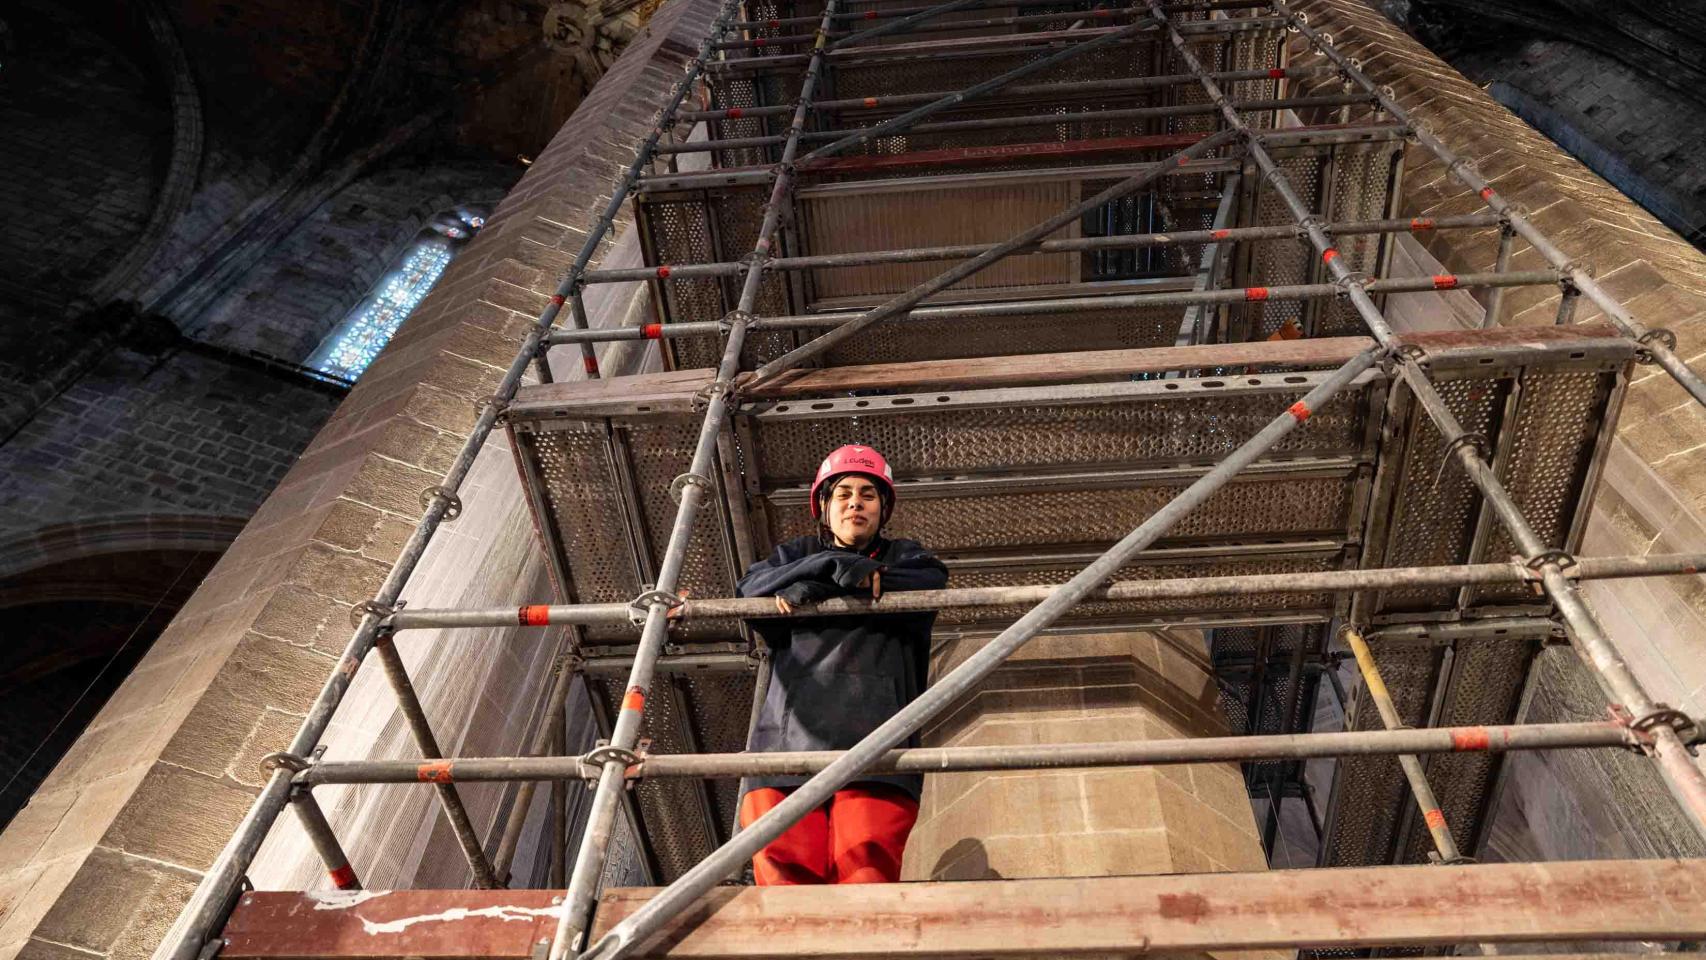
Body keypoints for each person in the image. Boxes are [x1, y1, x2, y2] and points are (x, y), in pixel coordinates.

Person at [734, 444, 949, 885]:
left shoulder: (905, 561)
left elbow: (933, 580)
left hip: (878, 748)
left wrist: (819, 582)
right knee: (784, 887)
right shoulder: (793, 556)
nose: (855, 502)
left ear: (882, 509)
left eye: (868, 494)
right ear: (824, 506)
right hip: (784, 750)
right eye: (844, 493)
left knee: (865, 881)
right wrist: (831, 568)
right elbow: (749, 590)